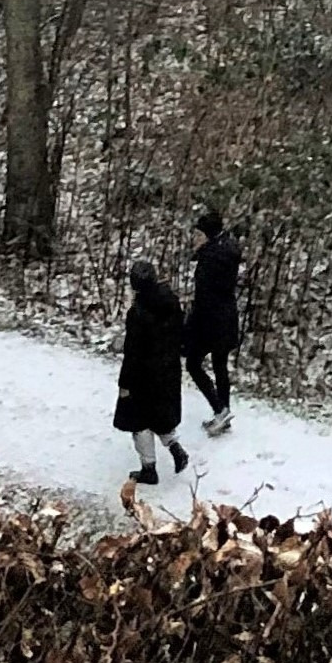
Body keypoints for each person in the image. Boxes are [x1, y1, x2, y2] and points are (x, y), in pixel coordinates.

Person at [115, 257, 191, 485]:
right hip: (168, 369)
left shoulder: (138, 313)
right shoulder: (172, 302)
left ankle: (149, 468)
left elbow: (133, 352)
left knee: (139, 422)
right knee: (160, 415)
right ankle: (176, 447)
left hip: (143, 375)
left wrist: (125, 383)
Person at [185, 206, 242, 435]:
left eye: (198, 235)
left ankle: (220, 409)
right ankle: (222, 414)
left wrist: (189, 328)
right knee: (220, 365)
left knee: (193, 364)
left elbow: (203, 299)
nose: (194, 239)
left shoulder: (209, 261)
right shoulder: (227, 251)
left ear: (208, 236)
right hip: (227, 317)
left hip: (211, 322)